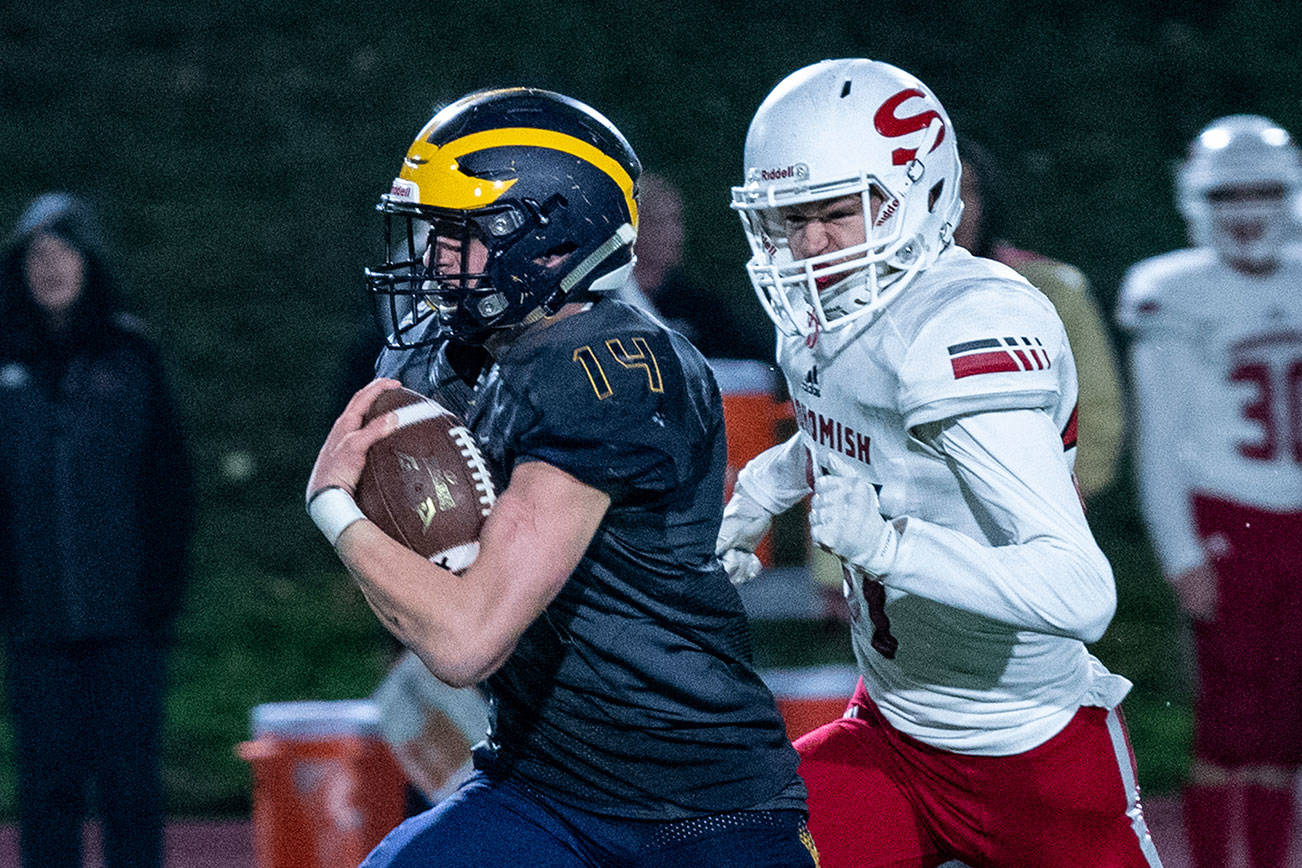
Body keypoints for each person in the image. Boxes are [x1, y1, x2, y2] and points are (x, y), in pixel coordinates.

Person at [306, 87, 817, 867]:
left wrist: (335, 508)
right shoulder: (452, 360)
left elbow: (468, 637)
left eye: (457, 233)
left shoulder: (613, 367)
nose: (432, 258)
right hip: (542, 786)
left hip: (696, 811)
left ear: (549, 236)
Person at [718, 58, 1163, 866]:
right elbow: (863, 434)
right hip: (890, 730)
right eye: (788, 217)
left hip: (1032, 756)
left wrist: (890, 548)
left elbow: (1080, 591)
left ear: (913, 198)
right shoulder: (830, 308)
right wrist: (771, 479)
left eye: (833, 212)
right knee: (737, 845)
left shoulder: (962, 325)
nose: (807, 243)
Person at [1117, 114, 1302, 868]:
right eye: (1231, 194)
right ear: (1199, 199)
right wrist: (1180, 549)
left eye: (1264, 191)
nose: (1248, 211)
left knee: (1286, 721)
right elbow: (1159, 436)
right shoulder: (1172, 290)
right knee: (1231, 719)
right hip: (1227, 513)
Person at [0, 193, 196, 868]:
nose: (49, 267)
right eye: (36, 254)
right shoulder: (5, 363)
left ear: (89, 261)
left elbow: (171, 486)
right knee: (46, 792)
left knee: (129, 790)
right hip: (38, 630)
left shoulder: (132, 355)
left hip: (126, 625)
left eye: (62, 251)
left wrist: (157, 603)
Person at [953, 137, 1125, 501]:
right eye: (937, 192)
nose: (957, 209)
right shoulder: (859, 298)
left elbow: (1097, 414)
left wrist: (1063, 504)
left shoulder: (1048, 289)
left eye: (968, 191)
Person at [616, 171, 773, 362]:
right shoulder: (601, 302)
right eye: (658, 221)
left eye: (676, 220)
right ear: (630, 227)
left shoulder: (697, 307)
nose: (673, 233)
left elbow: (755, 362)